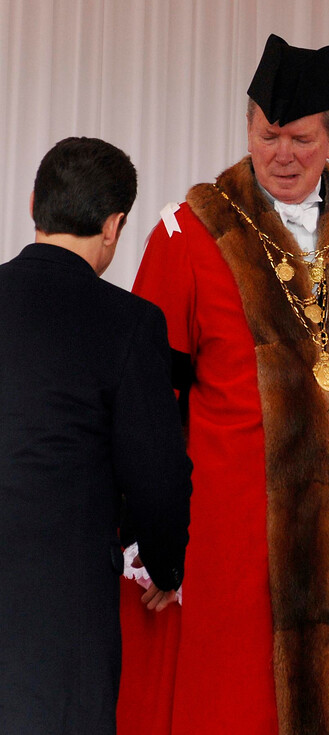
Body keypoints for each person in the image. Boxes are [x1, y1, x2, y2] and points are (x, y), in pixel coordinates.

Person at [117, 35, 329, 735]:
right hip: (236, 538)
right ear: (248, 127)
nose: (284, 155)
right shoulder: (190, 232)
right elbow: (146, 403)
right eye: (269, 135)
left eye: (303, 139)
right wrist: (148, 537)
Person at [0, 137, 192, 734]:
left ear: (35, 202)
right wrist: (165, 566)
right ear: (114, 226)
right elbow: (157, 479)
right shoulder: (129, 323)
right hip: (60, 618)